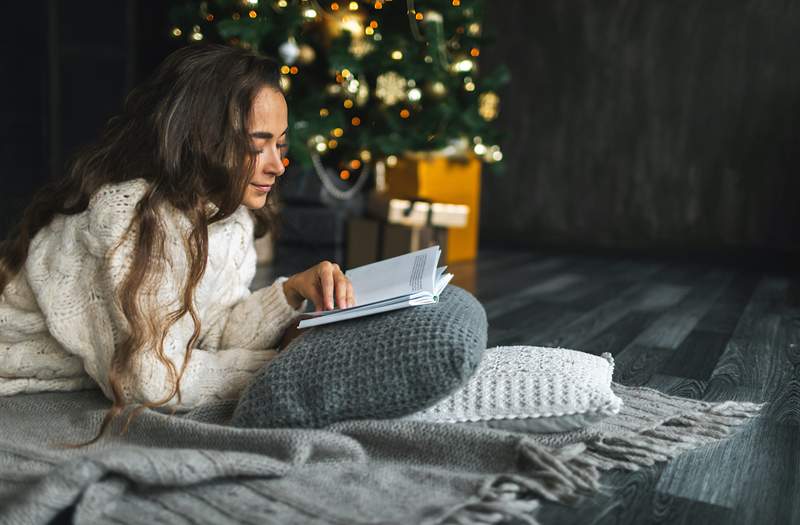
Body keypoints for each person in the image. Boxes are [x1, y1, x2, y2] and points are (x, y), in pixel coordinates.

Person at [0, 43, 354, 446]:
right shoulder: (133, 219)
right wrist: (277, 365)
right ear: (205, 141)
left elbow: (211, 333)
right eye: (258, 146)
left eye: (281, 144)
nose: (278, 164)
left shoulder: (230, 217)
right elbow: (149, 382)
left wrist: (289, 293)